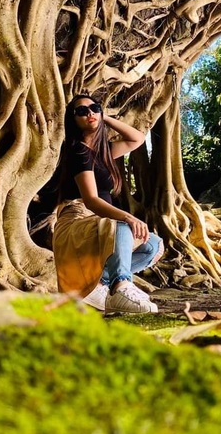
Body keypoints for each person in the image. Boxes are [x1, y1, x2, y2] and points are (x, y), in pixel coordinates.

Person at [53, 94, 164, 314]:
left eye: (94, 108)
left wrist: (105, 118)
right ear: (73, 120)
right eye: (82, 112)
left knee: (153, 245)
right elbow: (91, 200)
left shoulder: (103, 152)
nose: (90, 113)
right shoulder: (78, 151)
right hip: (77, 217)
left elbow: (137, 139)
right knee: (122, 225)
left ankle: (102, 284)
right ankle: (120, 286)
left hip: (99, 219)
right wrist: (127, 216)